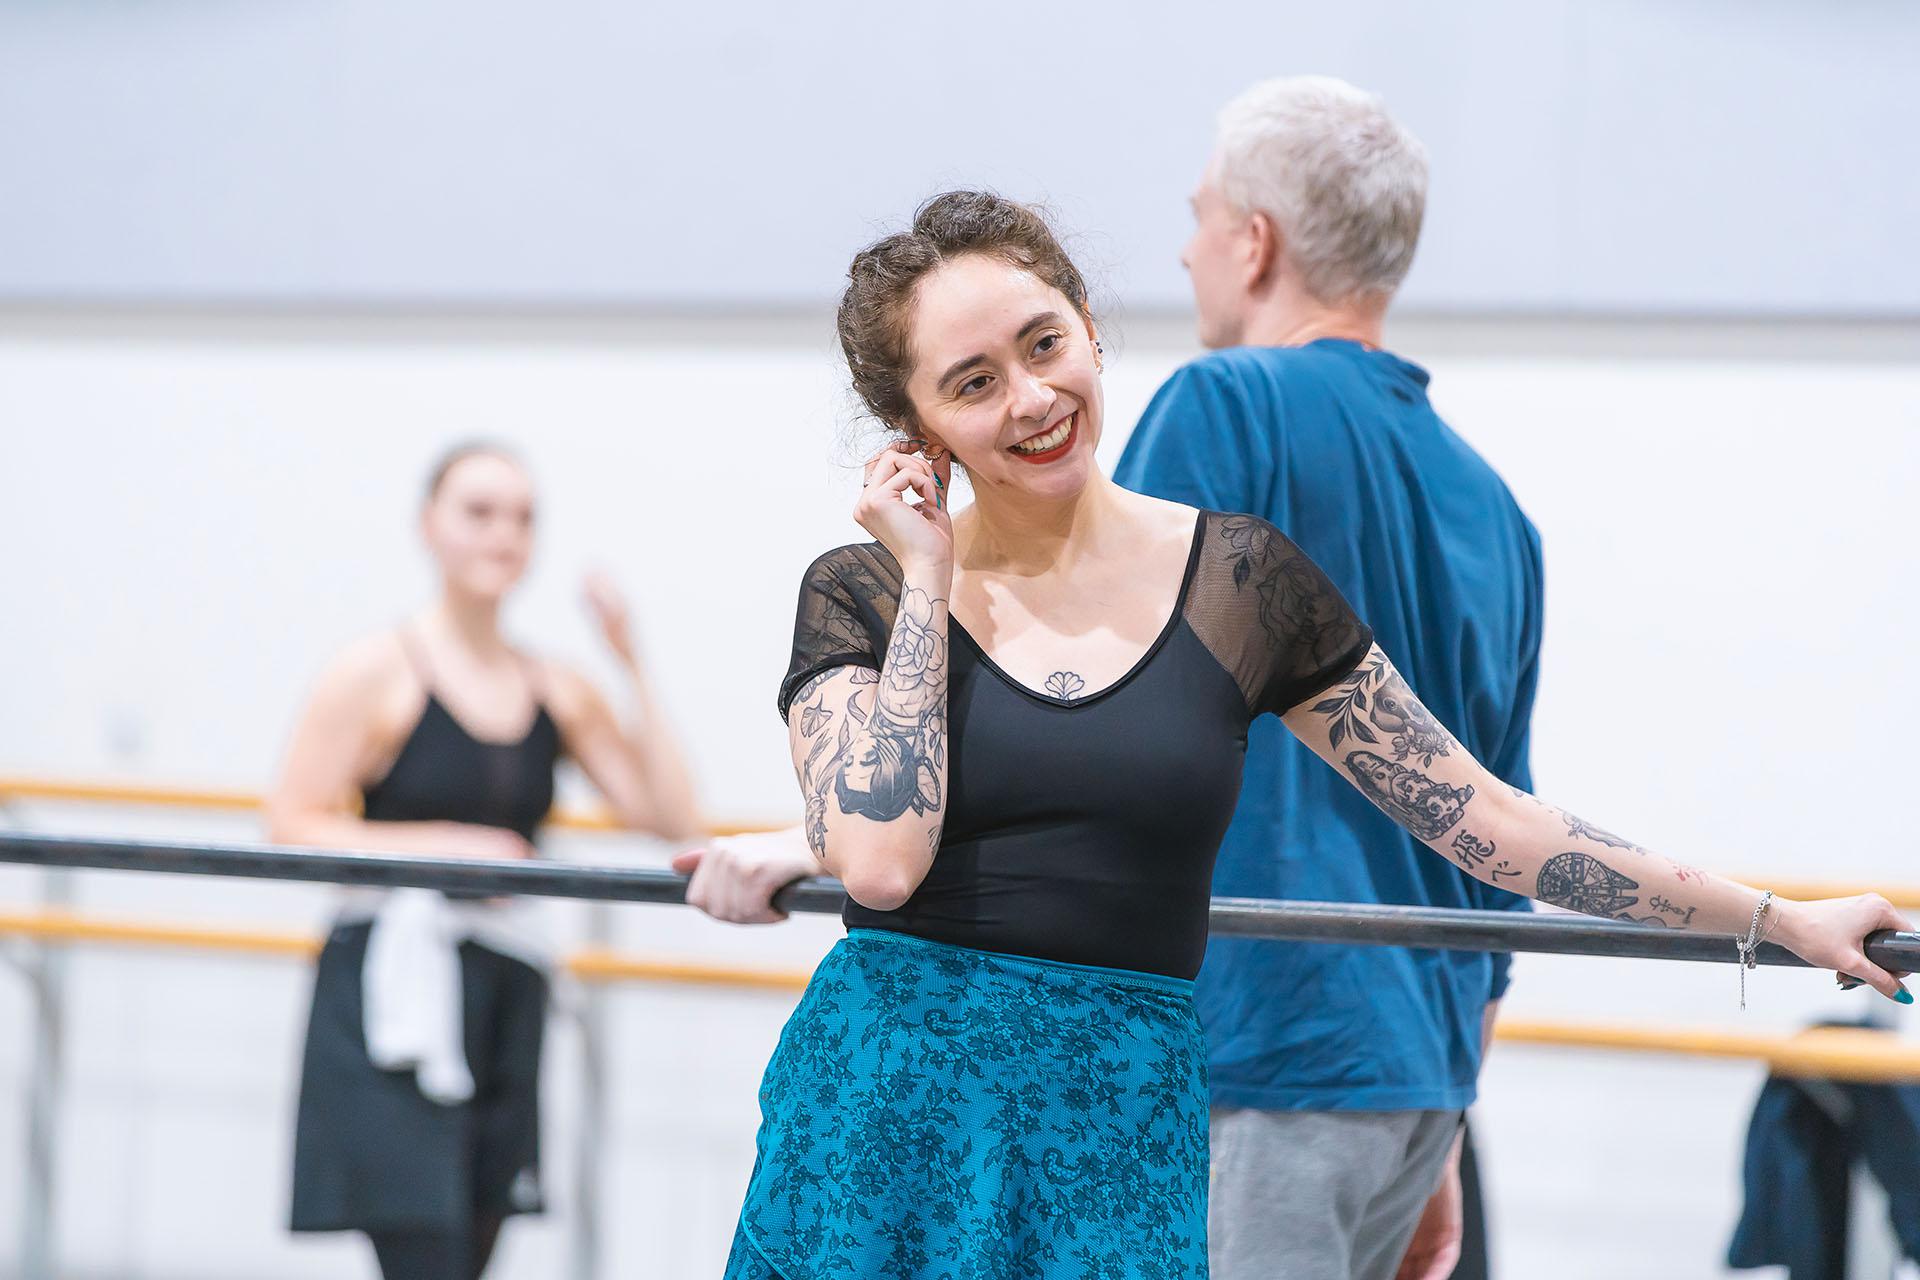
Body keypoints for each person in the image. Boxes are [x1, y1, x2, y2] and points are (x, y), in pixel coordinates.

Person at [705, 190, 1911, 1280]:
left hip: (1116, 1124)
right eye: (970, 381)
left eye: (1043, 343)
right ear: (911, 429)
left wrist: (1776, 919)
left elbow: (1485, 820)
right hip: (885, 1111)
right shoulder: (860, 591)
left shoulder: (1241, 582)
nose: (1030, 398)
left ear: (1089, 327)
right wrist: (925, 579)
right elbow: (878, 859)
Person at [1109, 76, 1534, 1280]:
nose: (1185, 249)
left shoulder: (1219, 407)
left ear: (1255, 243)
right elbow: (1498, 836)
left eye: (1200, 217)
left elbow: (1093, 699)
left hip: (1259, 1053)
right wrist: (1438, 1111)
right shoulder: (1496, 508)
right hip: (1412, 1084)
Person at [267, 442, 700, 1280]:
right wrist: (443, 849)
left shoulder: (558, 686)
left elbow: (671, 820)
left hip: (505, 984)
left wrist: (631, 661)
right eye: (480, 512)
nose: (504, 534)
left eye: (524, 517)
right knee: (422, 1253)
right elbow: (291, 822)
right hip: (392, 990)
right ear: (429, 527)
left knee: (474, 1247)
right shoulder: (374, 671)